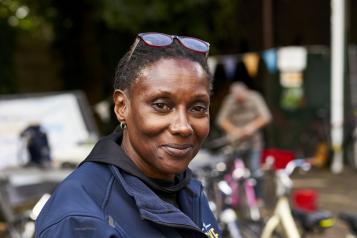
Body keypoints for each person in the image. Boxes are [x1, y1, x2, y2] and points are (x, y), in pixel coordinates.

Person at [35, 32, 221, 238]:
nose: (183, 127)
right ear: (122, 106)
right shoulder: (81, 218)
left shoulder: (188, 190)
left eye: (197, 108)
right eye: (161, 105)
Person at [216, 82, 272, 200]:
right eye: (237, 98)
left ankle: (258, 200)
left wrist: (252, 127)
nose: (239, 100)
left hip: (253, 142)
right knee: (230, 172)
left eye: (241, 98)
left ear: (245, 92)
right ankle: (231, 200)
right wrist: (233, 130)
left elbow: (266, 116)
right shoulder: (230, 100)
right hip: (235, 143)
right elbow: (221, 120)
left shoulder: (255, 97)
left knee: (254, 170)